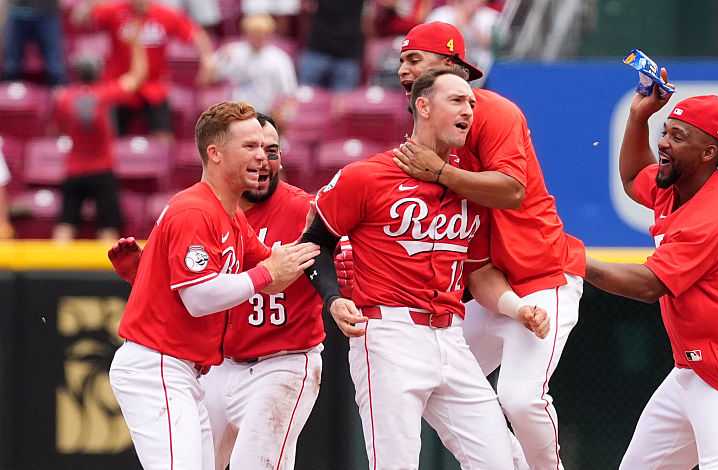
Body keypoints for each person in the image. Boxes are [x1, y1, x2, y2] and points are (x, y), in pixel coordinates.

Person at [301, 69, 548, 470]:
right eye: (457, 100)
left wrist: (516, 308)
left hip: (450, 336)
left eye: (471, 102)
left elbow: (478, 272)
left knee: (500, 460)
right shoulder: (368, 175)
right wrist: (332, 298)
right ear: (422, 105)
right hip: (387, 334)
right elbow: (313, 243)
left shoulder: (469, 189)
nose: (469, 108)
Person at [392, 21, 586, 469]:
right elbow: (473, 263)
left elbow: (511, 189)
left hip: (544, 276)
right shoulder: (427, 136)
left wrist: (440, 173)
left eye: (414, 59)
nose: (403, 69)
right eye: (402, 59)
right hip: (493, 287)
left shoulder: (493, 111)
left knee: (520, 398)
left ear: (451, 66)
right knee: (438, 386)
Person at [583, 73, 718, 469]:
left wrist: (571, 258)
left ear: (709, 153)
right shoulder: (673, 184)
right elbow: (629, 179)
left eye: (677, 136)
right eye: (665, 131)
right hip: (693, 370)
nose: (663, 142)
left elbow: (648, 285)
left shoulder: (715, 216)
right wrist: (638, 119)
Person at [107, 101, 320, 470]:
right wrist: (267, 273)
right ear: (215, 153)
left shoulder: (229, 213)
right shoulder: (196, 210)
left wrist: (321, 256)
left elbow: (271, 268)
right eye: (249, 146)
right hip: (156, 368)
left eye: (267, 148)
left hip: (186, 371)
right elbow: (200, 297)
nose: (261, 157)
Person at [52, 30, 148, 242]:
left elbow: (60, 128)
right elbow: (138, 77)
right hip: (102, 170)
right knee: (108, 226)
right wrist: (136, 45)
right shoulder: (106, 93)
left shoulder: (64, 98)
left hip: (73, 170)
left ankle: (47, 273)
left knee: (65, 224)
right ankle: (110, 274)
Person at [72, 0, 215, 139]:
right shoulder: (115, 10)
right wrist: (89, 5)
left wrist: (207, 60)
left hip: (154, 86)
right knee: (111, 135)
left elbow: (196, 34)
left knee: (163, 137)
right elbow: (78, 20)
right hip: (123, 85)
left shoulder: (165, 14)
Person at [210, 14, 298, 113]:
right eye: (254, 33)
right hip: (234, 113)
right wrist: (222, 59)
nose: (258, 37)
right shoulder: (232, 52)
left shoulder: (280, 59)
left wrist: (281, 115)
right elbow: (208, 78)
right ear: (245, 33)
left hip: (266, 115)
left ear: (270, 34)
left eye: (262, 33)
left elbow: (289, 94)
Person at [297, 0, 365, 91]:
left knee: (342, 103)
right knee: (307, 101)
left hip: (347, 54)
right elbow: (306, 8)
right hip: (317, 49)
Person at [427, 0, 499, 84]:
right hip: (447, 67)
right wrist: (460, 23)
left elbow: (496, 44)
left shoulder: (490, 16)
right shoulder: (441, 14)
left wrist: (471, 24)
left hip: (482, 71)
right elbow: (433, 44)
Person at [2, 0, 67, 85]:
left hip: (47, 12)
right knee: (11, 66)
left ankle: (58, 94)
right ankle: (9, 95)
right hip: (17, 11)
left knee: (54, 67)